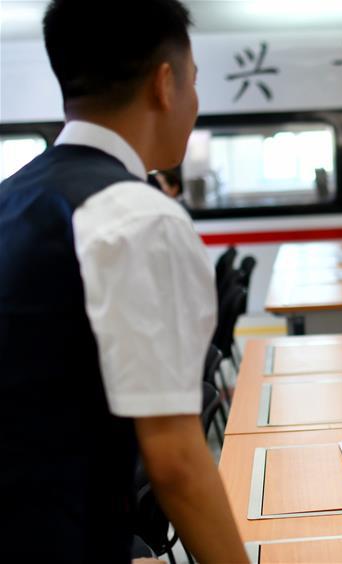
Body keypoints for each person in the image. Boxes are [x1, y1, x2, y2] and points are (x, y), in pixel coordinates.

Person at [0, 1, 247, 562]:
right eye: (195, 82)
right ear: (165, 84)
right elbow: (176, 462)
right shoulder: (140, 217)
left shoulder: (12, 197)